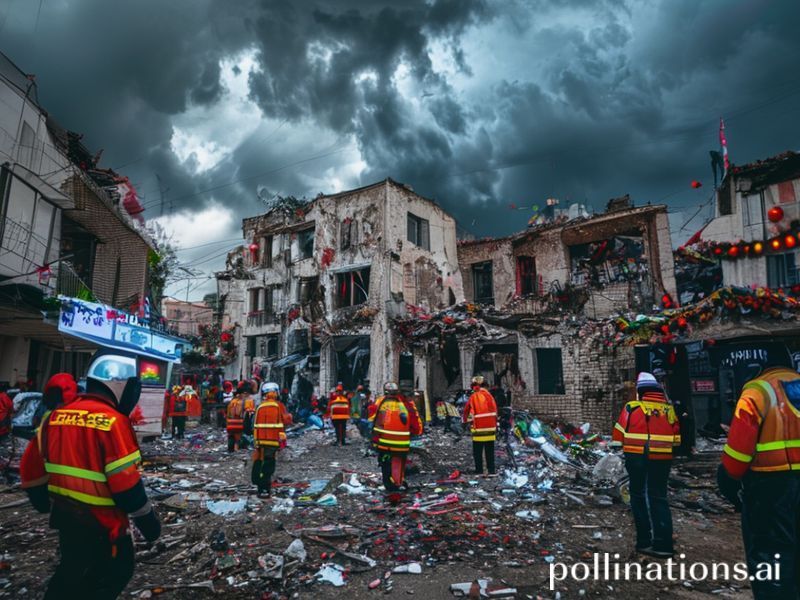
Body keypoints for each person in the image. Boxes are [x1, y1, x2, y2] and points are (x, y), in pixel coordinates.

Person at [20, 353, 160, 599]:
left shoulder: (54, 417)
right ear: (119, 385)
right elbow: (127, 488)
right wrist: (149, 523)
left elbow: (31, 469)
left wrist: (41, 502)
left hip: (66, 518)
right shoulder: (113, 422)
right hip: (105, 526)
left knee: (72, 570)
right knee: (113, 573)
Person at [717, 365, 800, 598]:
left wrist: (728, 481)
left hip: (769, 486)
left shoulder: (757, 391)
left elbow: (737, 455)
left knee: (770, 552)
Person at [612, 372, 681, 558]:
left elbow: (618, 435)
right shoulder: (668, 409)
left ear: (640, 391)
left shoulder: (632, 407)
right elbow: (676, 439)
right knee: (659, 496)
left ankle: (644, 541)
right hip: (662, 459)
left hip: (636, 457)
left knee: (638, 495)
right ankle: (664, 545)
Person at [370, 382, 423, 491]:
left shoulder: (380, 402)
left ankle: (389, 486)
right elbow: (416, 425)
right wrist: (413, 433)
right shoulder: (407, 403)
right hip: (401, 443)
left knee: (385, 463)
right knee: (398, 463)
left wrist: (374, 440)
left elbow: (372, 419)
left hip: (384, 442)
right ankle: (397, 483)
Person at [252, 382, 293, 497]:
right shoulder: (278, 406)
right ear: (275, 393)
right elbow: (286, 421)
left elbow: (253, 424)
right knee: (269, 465)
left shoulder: (260, 406)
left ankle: (260, 486)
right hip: (272, 440)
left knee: (260, 462)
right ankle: (264, 489)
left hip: (260, 441)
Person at [463, 376, 498, 475]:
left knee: (477, 451)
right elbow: (495, 411)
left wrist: (465, 422)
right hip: (491, 428)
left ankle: (479, 470)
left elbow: (466, 411)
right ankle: (491, 470)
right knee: (489, 451)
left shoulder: (474, 396)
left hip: (478, 428)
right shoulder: (489, 396)